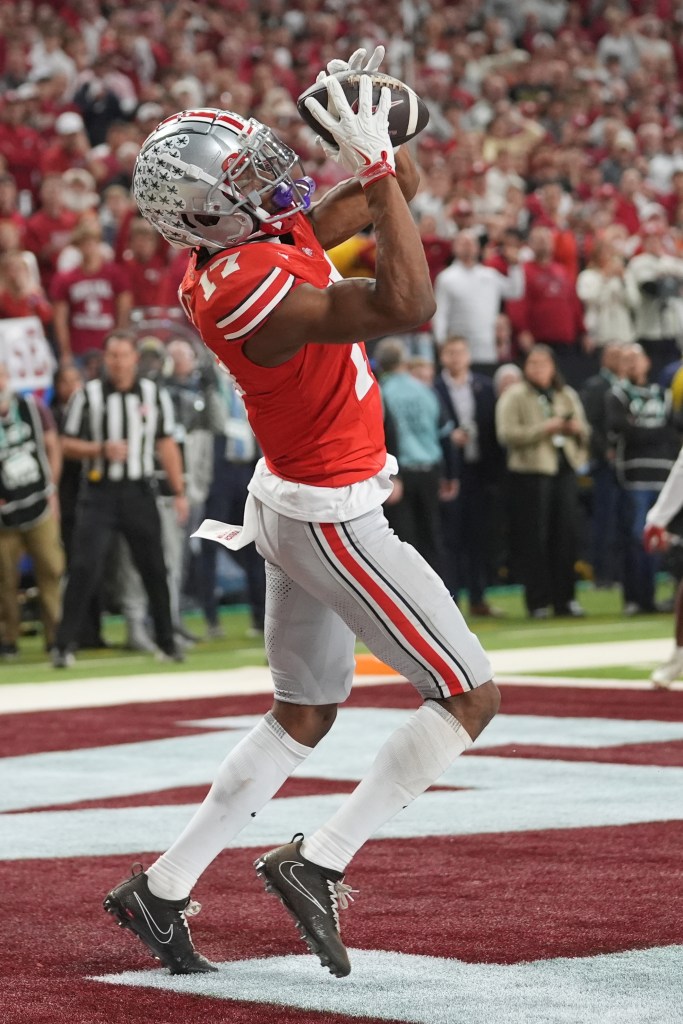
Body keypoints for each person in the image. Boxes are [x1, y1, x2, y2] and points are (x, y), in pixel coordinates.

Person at [103, 51, 499, 981]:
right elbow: (407, 302)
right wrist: (375, 171)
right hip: (332, 516)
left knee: (304, 713)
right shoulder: (248, 289)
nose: (271, 178)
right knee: (469, 695)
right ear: (207, 211)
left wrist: (384, 140)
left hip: (288, 501)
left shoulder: (235, 255)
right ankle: (316, 860)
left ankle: (161, 888)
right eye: (243, 177)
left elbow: (377, 204)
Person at [51, 330, 187, 666]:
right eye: (112, 356)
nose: (118, 362)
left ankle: (168, 642)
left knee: (155, 567)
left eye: (124, 355)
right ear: (105, 359)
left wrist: (179, 490)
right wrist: (100, 449)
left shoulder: (153, 394)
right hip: (99, 493)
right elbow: (66, 444)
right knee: (84, 566)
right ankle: (64, 645)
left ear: (134, 359)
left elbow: (165, 443)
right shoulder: (89, 395)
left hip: (139, 491)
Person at [495, 344, 590, 618]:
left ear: (553, 367)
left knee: (566, 536)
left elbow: (585, 428)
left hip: (564, 469)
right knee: (534, 538)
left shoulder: (565, 393)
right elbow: (507, 434)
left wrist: (574, 429)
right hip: (530, 473)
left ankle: (566, 600)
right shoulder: (515, 396)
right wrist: (544, 429)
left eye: (543, 363)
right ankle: (538, 601)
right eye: (533, 363)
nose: (538, 369)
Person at [605, 342, 681, 615]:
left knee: (665, 541)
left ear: (648, 362)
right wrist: (655, 433)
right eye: (626, 360)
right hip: (635, 475)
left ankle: (654, 597)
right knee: (637, 538)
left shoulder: (663, 393)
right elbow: (621, 428)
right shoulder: (617, 394)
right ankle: (635, 597)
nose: (633, 364)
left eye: (637, 358)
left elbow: (673, 430)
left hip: (664, 474)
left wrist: (646, 432)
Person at [374, 335, 457, 574]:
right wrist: (450, 475)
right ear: (405, 362)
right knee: (433, 537)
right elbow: (444, 434)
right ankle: (444, 598)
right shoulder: (425, 391)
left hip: (397, 474)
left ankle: (409, 603)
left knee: (403, 541)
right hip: (430, 470)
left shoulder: (380, 392)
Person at [434, 335, 504, 616]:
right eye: (451, 352)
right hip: (449, 472)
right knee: (450, 539)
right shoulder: (434, 389)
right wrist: (450, 439)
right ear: (442, 356)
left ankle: (478, 597)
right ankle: (451, 600)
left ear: (469, 355)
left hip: (479, 471)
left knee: (478, 537)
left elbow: (492, 430)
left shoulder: (484, 387)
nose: (456, 358)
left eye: (461, 352)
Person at [0, 360, 64, 658]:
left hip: (38, 501)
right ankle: (8, 639)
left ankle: (56, 637)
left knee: (52, 568)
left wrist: (51, 488)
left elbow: (52, 445)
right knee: (4, 579)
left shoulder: (32, 407)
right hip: (4, 513)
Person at [432, 228, 524, 375]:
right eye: (463, 243)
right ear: (455, 247)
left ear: (478, 248)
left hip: (486, 344)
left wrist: (515, 266)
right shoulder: (446, 278)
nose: (467, 246)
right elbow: (440, 313)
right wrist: (441, 341)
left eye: (471, 243)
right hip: (458, 345)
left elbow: (515, 292)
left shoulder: (489, 275)